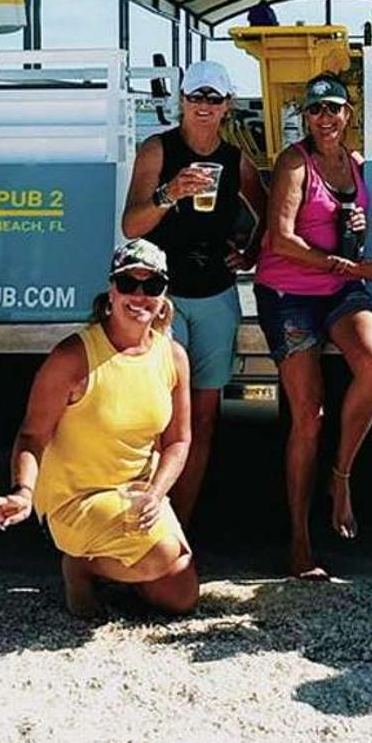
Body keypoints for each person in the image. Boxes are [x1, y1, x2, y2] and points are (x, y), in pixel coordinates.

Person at [0, 240, 198, 618]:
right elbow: (32, 436)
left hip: (137, 493)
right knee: (161, 556)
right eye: (129, 283)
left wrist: (157, 493)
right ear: (111, 290)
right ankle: (79, 565)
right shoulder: (71, 356)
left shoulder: (173, 355)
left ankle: (114, 563)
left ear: (164, 295)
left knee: (180, 598)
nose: (139, 296)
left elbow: (179, 439)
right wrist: (23, 492)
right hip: (76, 497)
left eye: (152, 286)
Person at [254, 74, 372, 581]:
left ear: (348, 114)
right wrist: (353, 267)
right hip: (289, 292)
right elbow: (282, 239)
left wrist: (358, 236)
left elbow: (350, 231)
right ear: (305, 119)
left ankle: (342, 477)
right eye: (315, 111)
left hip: (336, 288)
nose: (325, 118)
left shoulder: (356, 165)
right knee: (308, 416)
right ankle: (300, 539)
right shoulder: (295, 162)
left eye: (334, 108)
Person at [121, 59, 266, 525]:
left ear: (227, 105)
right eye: (195, 97)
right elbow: (131, 226)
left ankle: (179, 524)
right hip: (164, 298)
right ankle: (147, 517)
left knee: (202, 420)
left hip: (217, 296)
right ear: (181, 100)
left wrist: (249, 253)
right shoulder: (157, 149)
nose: (203, 106)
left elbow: (267, 209)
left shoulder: (236, 160)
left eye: (213, 98)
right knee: (157, 417)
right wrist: (170, 194)